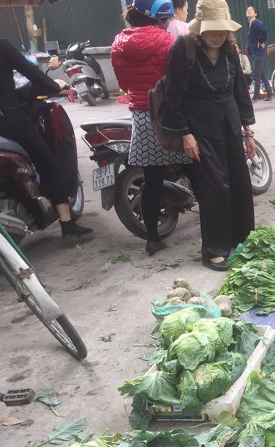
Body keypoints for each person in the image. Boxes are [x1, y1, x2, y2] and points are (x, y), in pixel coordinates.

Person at [162, 0, 256, 271]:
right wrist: (184, 133)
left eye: (222, 31)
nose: (218, 36)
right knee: (214, 187)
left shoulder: (229, 48)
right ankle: (213, 249)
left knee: (239, 181)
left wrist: (248, 130)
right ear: (200, 28)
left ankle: (242, 239)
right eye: (213, 31)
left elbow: (239, 89)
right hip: (200, 127)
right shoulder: (184, 48)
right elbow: (174, 94)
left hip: (229, 122)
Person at [0, 9, 92, 239]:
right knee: (48, 165)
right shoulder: (0, 46)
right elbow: (35, 76)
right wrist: (58, 86)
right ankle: (66, 223)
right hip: (10, 119)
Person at [112, 0, 192, 256]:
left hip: (141, 115)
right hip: (169, 113)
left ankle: (153, 240)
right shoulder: (168, 41)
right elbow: (178, 80)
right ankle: (215, 224)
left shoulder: (118, 44)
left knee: (152, 180)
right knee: (196, 167)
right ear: (161, 17)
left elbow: (123, 82)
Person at [245, 6, 272, 101]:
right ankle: (269, 95)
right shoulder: (250, 24)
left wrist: (261, 40)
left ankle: (256, 96)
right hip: (255, 52)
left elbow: (264, 31)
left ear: (255, 14)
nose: (248, 11)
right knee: (262, 75)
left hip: (258, 52)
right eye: (247, 10)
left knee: (256, 74)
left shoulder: (256, 22)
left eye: (251, 10)